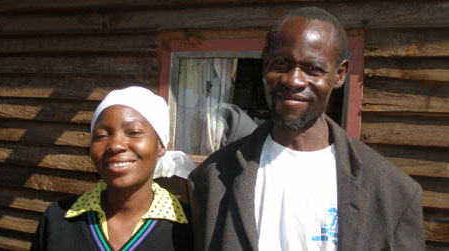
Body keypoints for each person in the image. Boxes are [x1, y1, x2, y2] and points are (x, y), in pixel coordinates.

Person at [188, 7, 424, 251]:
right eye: (281, 63)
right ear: (265, 62)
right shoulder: (213, 178)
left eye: (314, 68)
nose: (294, 80)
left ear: (340, 74)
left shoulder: (393, 193)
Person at [31, 87, 194, 251]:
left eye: (134, 132)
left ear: (161, 146)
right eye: (101, 135)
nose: (115, 145)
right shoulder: (57, 220)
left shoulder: (192, 227)